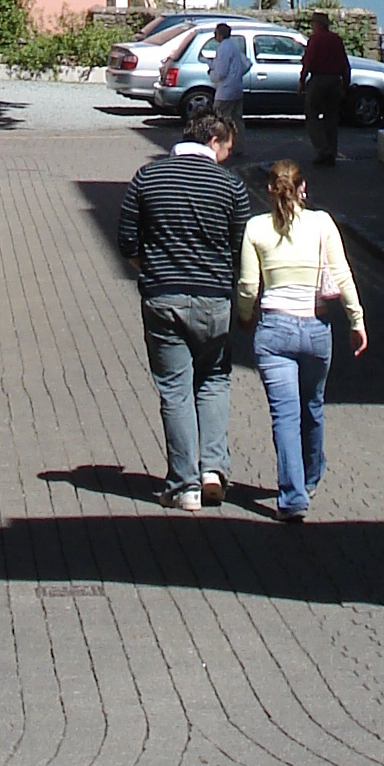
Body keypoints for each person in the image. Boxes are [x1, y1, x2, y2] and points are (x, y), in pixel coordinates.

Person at [118, 108, 252, 510]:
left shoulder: (147, 177)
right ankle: (213, 468)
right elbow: (239, 250)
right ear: (214, 140)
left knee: (174, 390)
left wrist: (156, 270)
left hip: (162, 298)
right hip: (214, 299)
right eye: (229, 147)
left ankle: (184, 486)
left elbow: (128, 243)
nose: (229, 155)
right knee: (214, 380)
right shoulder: (232, 187)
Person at [236, 159, 367, 520]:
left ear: (269, 190)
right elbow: (342, 275)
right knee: (312, 406)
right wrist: (356, 320)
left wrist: (244, 316)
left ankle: (293, 498)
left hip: (274, 330)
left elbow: (248, 285)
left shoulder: (256, 228)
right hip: (315, 329)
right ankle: (309, 477)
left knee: (285, 415)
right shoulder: (322, 223)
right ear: (304, 188)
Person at [300, 10, 350, 165]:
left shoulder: (315, 40)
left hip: (319, 79)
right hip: (335, 81)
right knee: (331, 118)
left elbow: (308, 62)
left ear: (318, 25)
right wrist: (345, 85)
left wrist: (302, 81)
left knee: (312, 115)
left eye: (313, 24)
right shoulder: (336, 40)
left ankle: (323, 149)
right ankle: (332, 152)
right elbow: (344, 64)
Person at [207, 20, 251, 138]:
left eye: (215, 33)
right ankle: (239, 146)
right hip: (237, 88)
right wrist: (236, 75)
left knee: (220, 119)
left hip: (225, 91)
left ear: (220, 35)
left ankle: (221, 144)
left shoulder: (223, 49)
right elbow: (247, 64)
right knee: (237, 120)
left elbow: (221, 73)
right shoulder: (234, 46)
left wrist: (211, 72)